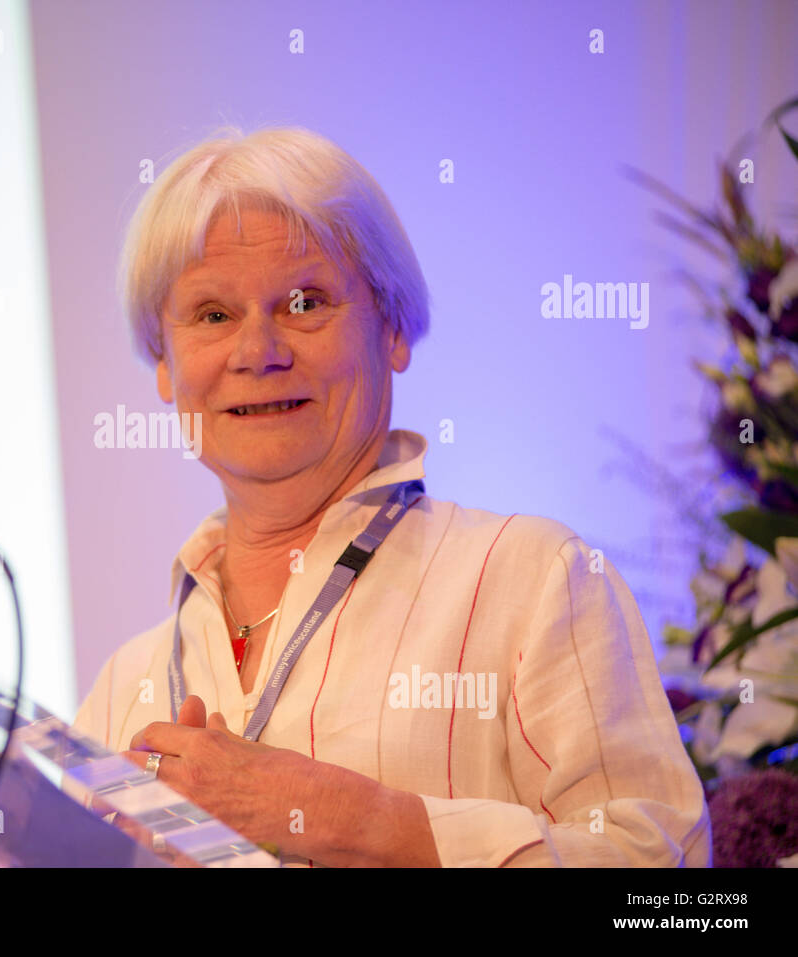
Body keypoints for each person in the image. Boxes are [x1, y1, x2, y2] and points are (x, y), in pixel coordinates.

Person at [72, 125, 711, 867]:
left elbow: (672, 879)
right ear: (164, 362)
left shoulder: (533, 578)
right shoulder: (123, 686)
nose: (258, 352)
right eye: (213, 315)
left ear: (395, 326)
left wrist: (360, 819)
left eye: (305, 302)